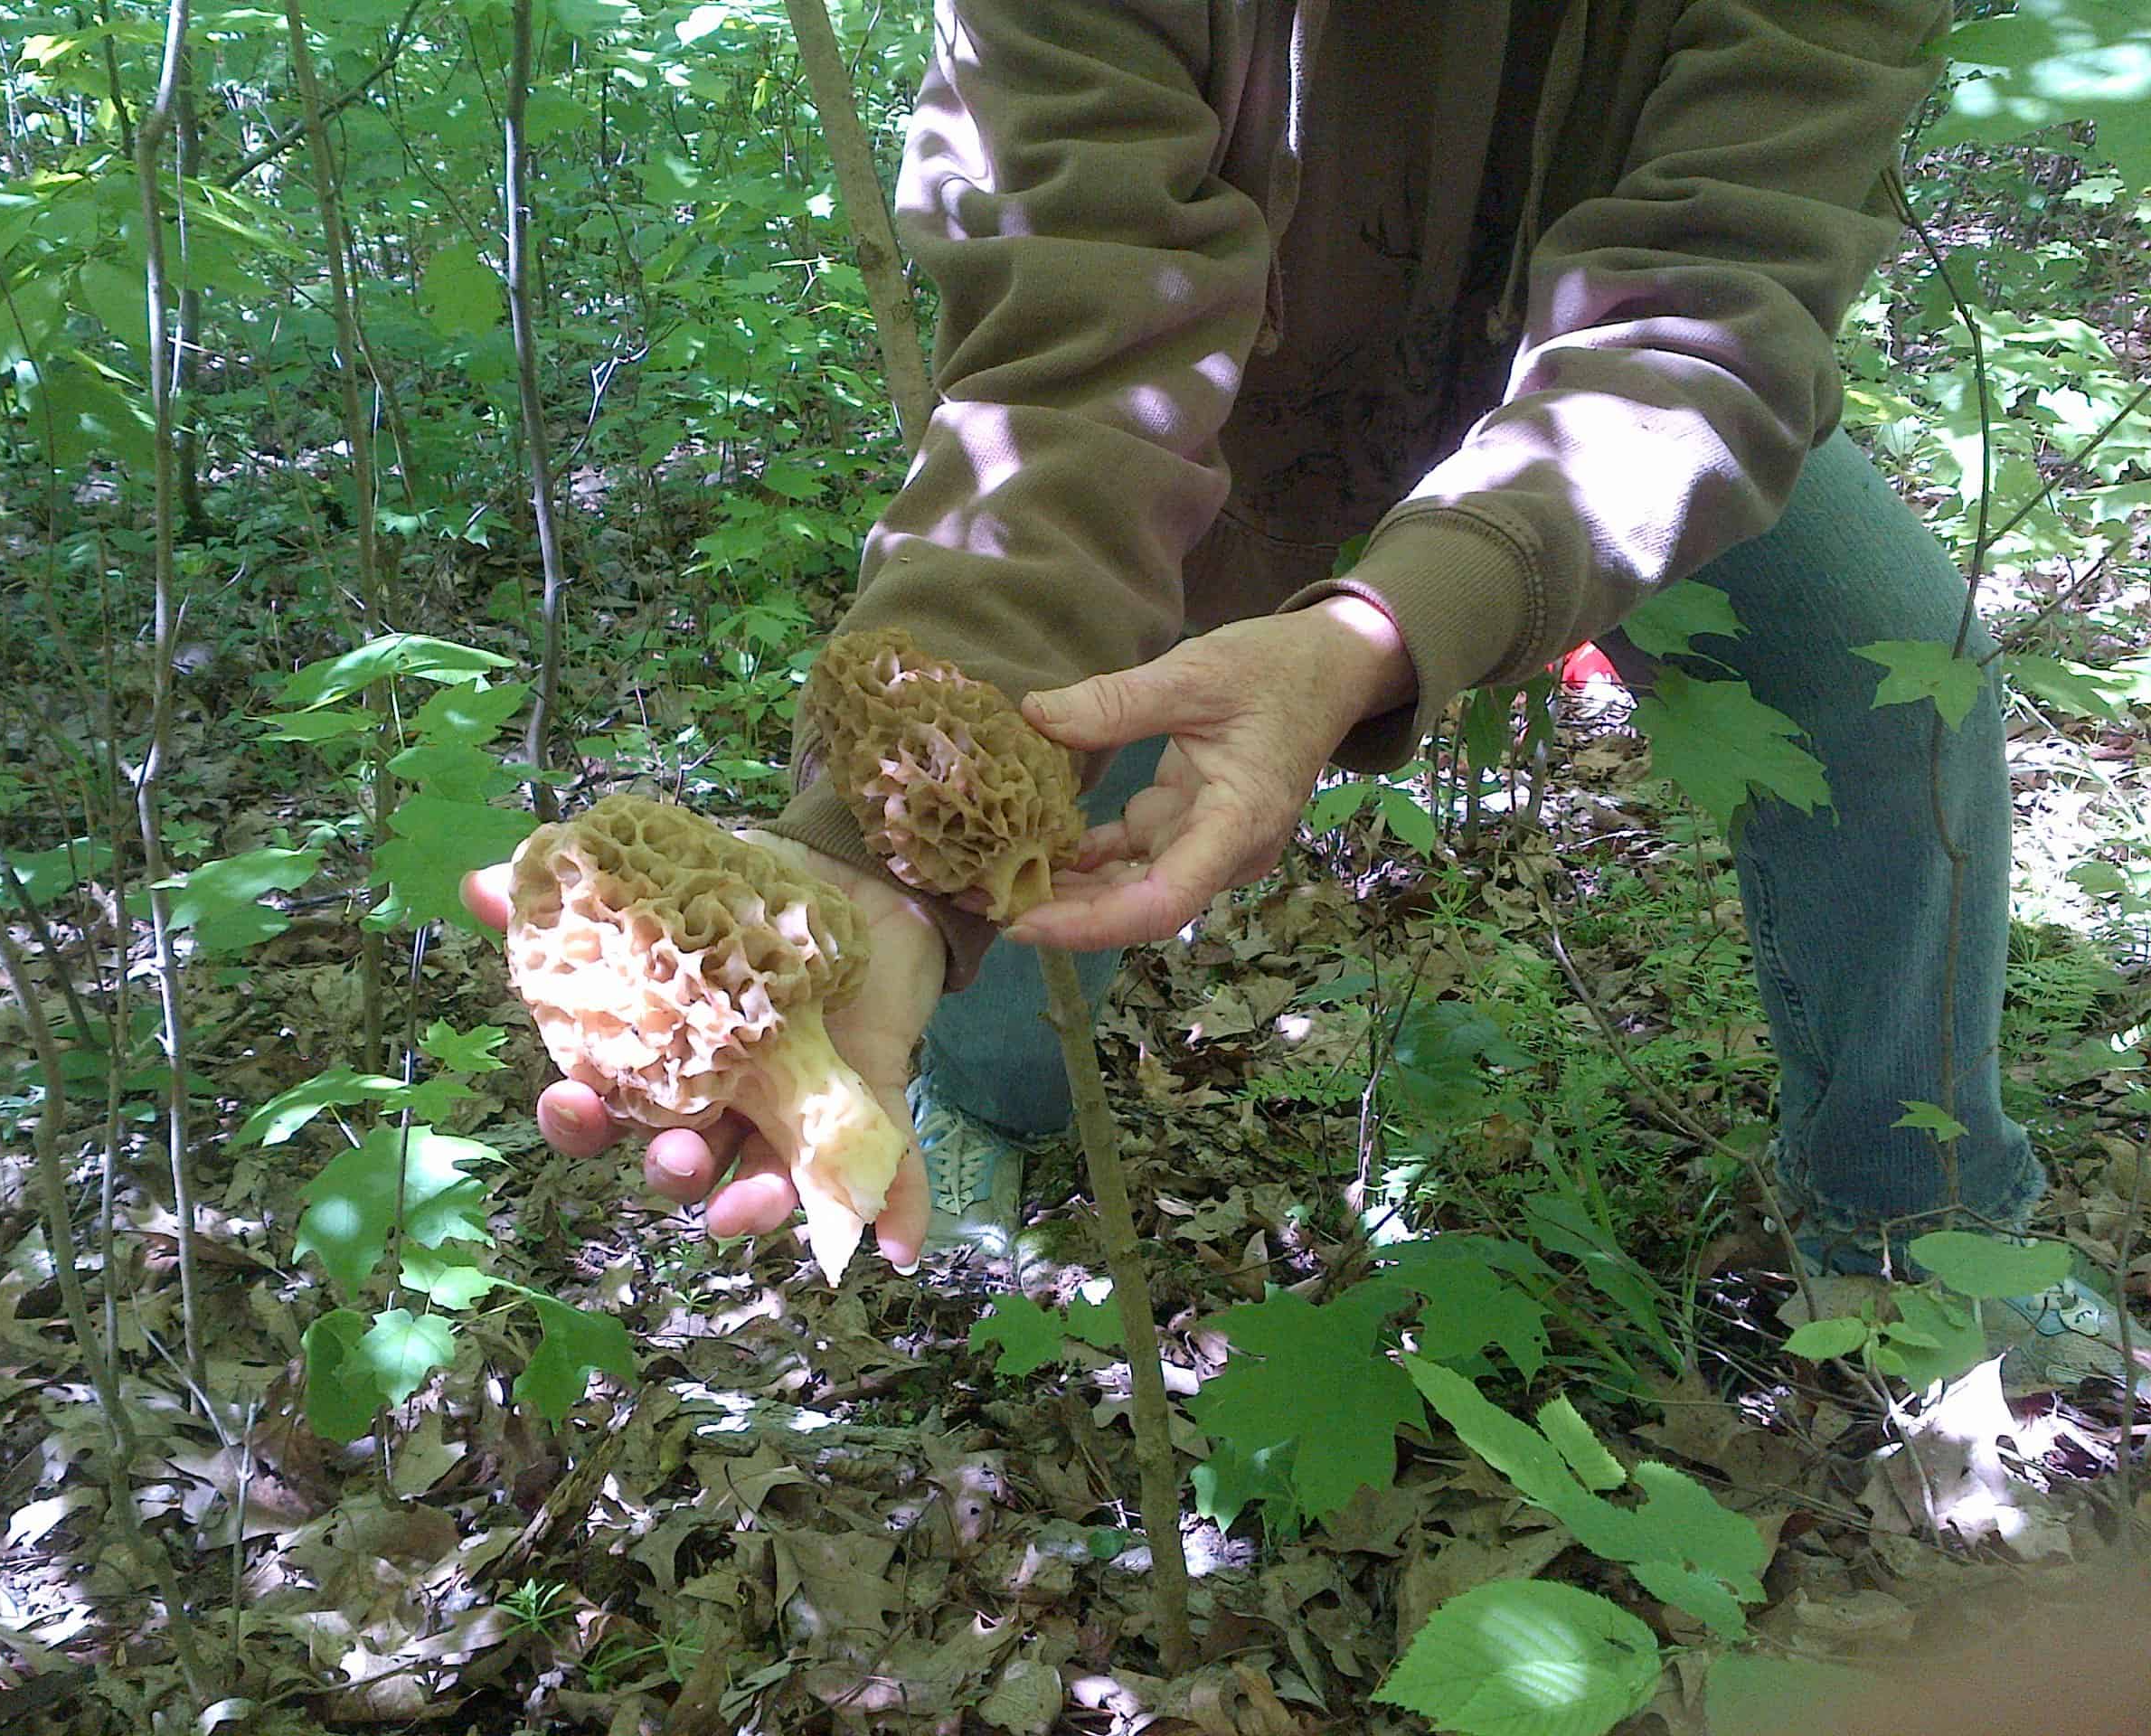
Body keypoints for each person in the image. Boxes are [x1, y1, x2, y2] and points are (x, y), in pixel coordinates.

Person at [467, 0, 2143, 1392]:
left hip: (1605, 397)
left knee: (1894, 671)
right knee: (1045, 738)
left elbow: (1725, 285)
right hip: (1200, 404)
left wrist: (1380, 629)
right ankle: (980, 1083)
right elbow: (1069, 342)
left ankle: (1914, 1222)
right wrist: (876, 846)